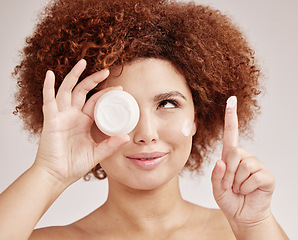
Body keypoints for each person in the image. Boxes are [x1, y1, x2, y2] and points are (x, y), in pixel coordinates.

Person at [0, 0, 289, 239]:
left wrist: (254, 226)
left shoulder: (245, 231)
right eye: (118, 108)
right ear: (89, 121)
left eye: (167, 103)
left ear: (198, 115)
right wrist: (49, 173)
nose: (146, 133)